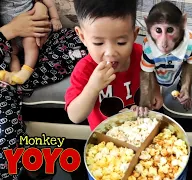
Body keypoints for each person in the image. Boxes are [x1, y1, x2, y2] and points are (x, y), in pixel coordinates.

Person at [0, 8, 87, 180]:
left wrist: (40, 25)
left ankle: (20, 78)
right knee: (5, 137)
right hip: (6, 68)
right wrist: (10, 30)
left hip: (29, 53)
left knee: (83, 41)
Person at [65, 0, 162, 131]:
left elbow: (153, 73)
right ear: (82, 37)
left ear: (134, 35)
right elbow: (74, 116)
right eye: (98, 43)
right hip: (108, 139)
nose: (110, 53)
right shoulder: (84, 70)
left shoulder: (142, 55)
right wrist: (92, 88)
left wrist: (156, 91)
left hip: (143, 128)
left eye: (121, 42)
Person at [0, 0, 62, 85]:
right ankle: (15, 75)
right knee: (12, 53)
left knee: (30, 42)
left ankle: (26, 70)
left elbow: (50, 4)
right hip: (10, 36)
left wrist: (55, 18)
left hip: (30, 30)